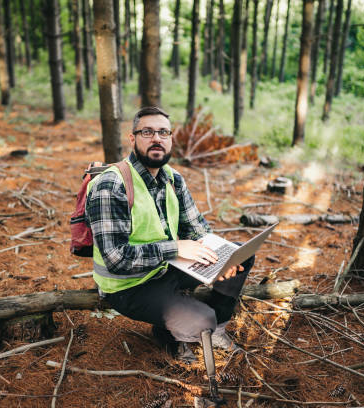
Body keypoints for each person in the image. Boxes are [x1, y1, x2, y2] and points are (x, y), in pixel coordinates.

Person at [85, 106, 254, 363]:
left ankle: (217, 328)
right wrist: (174, 248)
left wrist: (222, 258)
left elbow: (198, 229)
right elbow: (115, 258)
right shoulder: (111, 185)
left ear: (171, 138)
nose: (157, 138)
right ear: (133, 139)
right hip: (129, 286)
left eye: (163, 132)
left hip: (165, 268)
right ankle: (170, 334)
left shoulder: (173, 179)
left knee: (241, 257)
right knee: (201, 320)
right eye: (147, 132)